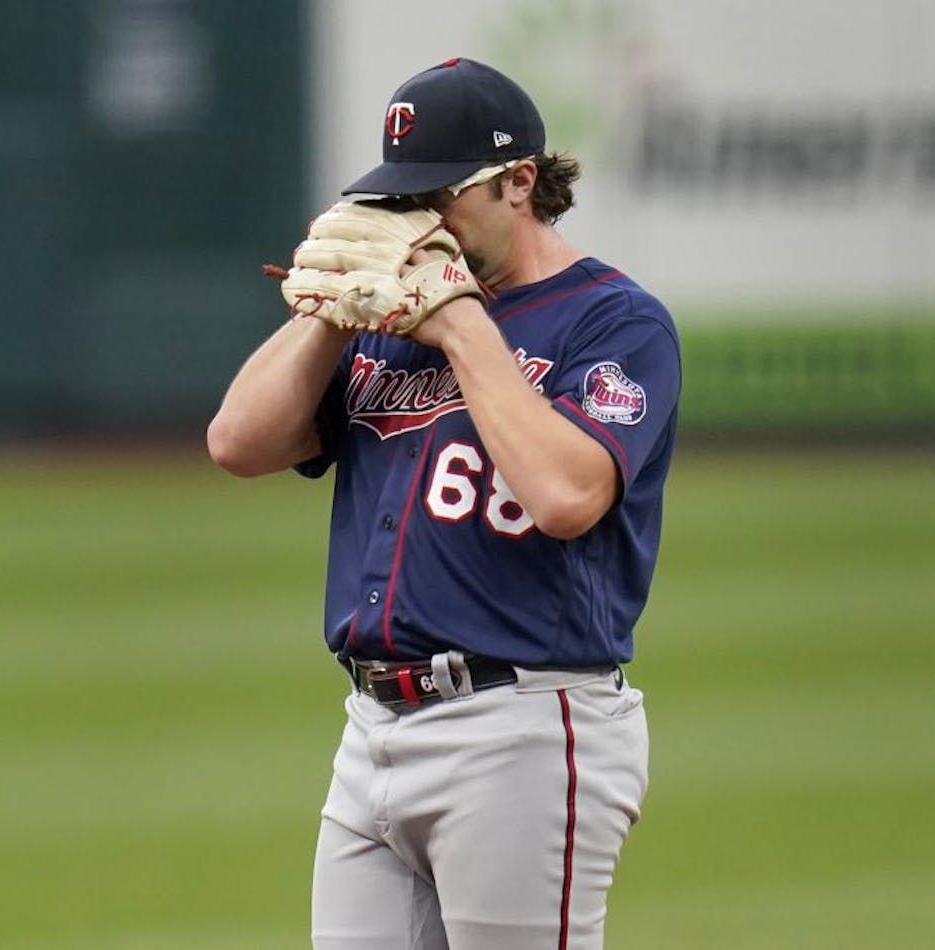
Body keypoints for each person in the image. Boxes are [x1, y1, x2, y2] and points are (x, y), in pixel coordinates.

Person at [208, 58, 680, 949]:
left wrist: (462, 321)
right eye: (398, 200)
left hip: (525, 728)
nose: (417, 223)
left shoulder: (616, 322)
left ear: (519, 183)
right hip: (371, 728)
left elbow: (567, 495)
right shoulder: (387, 323)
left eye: (438, 196)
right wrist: (331, 312)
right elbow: (239, 443)